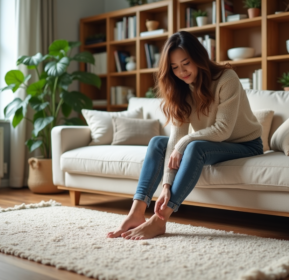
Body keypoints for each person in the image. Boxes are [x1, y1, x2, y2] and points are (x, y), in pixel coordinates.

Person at [107, 31, 263, 240]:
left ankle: (160, 221)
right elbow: (175, 138)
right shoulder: (181, 89)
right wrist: (166, 185)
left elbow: (222, 129)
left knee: (194, 147)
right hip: (213, 144)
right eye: (174, 67)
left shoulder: (227, 78)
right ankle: (136, 213)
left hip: (245, 145)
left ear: (199, 58)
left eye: (186, 63)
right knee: (158, 143)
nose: (181, 72)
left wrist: (185, 142)